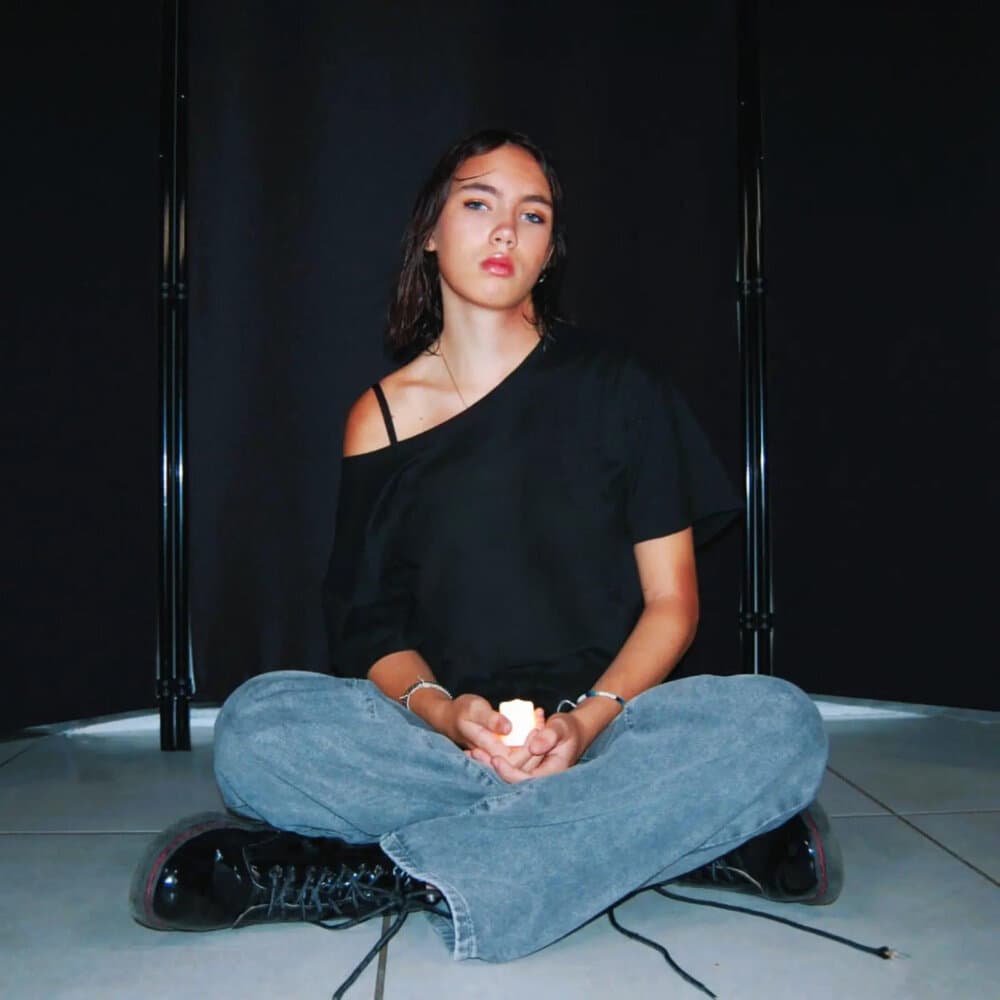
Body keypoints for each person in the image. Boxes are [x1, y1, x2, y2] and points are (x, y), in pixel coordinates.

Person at [130, 129, 840, 996]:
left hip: (608, 733)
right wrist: (444, 714)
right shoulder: (381, 417)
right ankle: (663, 843)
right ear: (430, 230)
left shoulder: (623, 390)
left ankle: (396, 874)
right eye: (479, 204)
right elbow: (369, 628)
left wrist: (582, 727)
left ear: (549, 250)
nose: (506, 230)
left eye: (532, 216)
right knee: (255, 729)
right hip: (442, 745)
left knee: (781, 725)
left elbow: (673, 607)